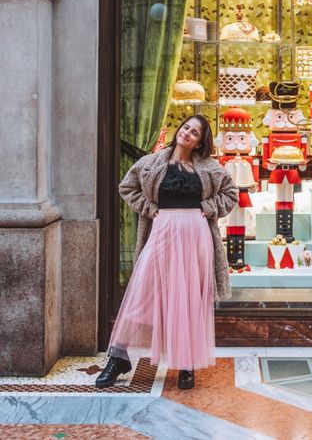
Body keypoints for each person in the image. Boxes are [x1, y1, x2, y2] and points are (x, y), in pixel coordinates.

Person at [95, 114, 238, 390]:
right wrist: (151, 210)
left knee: (189, 298)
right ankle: (119, 356)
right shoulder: (153, 162)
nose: (187, 133)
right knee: (141, 293)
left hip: (196, 236)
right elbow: (127, 187)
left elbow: (230, 194)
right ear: (178, 131)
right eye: (185, 128)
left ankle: (186, 363)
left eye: (194, 133)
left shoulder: (210, 167)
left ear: (199, 142)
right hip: (162, 232)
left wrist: (208, 208)